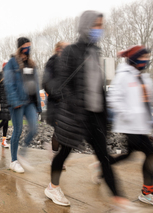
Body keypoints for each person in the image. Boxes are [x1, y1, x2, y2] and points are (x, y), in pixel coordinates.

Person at [44, 11, 130, 208]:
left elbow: (97, 86)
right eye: (95, 25)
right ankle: (52, 187)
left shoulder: (95, 51)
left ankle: (119, 198)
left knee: (104, 157)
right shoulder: (70, 52)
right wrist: (75, 105)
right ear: (85, 26)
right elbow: (63, 85)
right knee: (64, 153)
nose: (99, 30)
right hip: (75, 116)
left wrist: (105, 114)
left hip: (95, 116)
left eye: (101, 25)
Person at [107, 45, 153, 205]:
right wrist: (129, 114)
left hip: (141, 126)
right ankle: (147, 191)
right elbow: (113, 99)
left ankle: (103, 167)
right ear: (134, 59)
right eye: (142, 57)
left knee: (129, 154)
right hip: (130, 126)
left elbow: (147, 102)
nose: (146, 60)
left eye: (147, 57)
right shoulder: (123, 76)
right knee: (151, 153)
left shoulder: (142, 77)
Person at [3, 37, 42, 173]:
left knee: (34, 128)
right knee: (18, 131)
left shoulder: (32, 64)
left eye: (29, 45)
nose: (28, 48)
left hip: (30, 102)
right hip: (18, 102)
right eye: (26, 45)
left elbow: (36, 85)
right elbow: (8, 84)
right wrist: (14, 101)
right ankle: (14, 161)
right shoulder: (12, 63)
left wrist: (38, 105)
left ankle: (22, 153)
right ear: (20, 47)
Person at [42, 41, 69, 170]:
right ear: (58, 49)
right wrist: (57, 95)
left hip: (66, 103)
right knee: (59, 130)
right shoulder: (51, 62)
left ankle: (57, 156)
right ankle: (55, 158)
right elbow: (45, 82)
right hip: (55, 102)